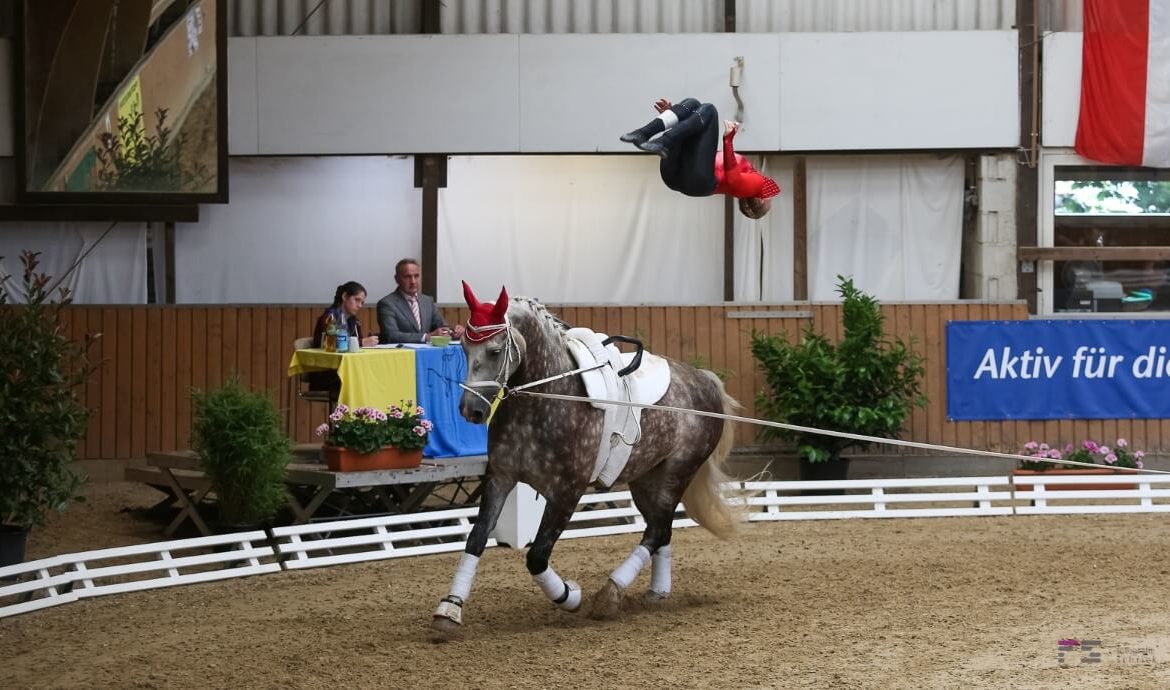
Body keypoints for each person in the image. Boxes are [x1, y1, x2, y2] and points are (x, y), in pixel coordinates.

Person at [620, 97, 780, 219]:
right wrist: (671, 117)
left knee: (709, 111)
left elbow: (732, 179)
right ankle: (643, 134)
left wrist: (728, 140)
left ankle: (664, 141)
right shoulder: (747, 178)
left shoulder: (756, 186)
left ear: (761, 200)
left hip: (699, 180)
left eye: (769, 198)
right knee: (692, 105)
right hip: (679, 176)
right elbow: (692, 147)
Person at [376, 258, 465, 344]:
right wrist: (426, 337)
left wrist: (453, 331)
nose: (413, 281)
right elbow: (391, 335)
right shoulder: (387, 304)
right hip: (402, 355)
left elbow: (441, 326)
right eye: (407, 277)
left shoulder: (427, 301)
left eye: (416, 276)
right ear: (397, 279)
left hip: (427, 354)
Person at [312, 281, 380, 348]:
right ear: (344, 296)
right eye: (357, 300)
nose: (360, 306)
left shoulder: (355, 321)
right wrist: (361, 342)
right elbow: (331, 345)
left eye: (362, 303)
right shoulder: (329, 318)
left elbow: (357, 343)